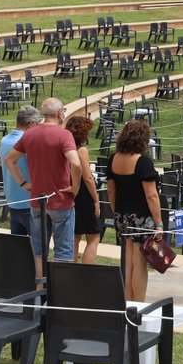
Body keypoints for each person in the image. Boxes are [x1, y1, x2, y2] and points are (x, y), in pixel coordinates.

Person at [5, 97, 82, 280]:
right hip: (61, 201)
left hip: (36, 201)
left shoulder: (30, 134)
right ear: (59, 113)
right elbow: (76, 165)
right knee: (63, 253)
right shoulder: (64, 135)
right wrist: (75, 188)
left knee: (39, 252)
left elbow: (9, 159)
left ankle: (40, 290)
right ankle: (60, 294)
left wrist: (23, 184)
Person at [106, 119, 163, 301]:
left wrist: (117, 212)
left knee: (128, 262)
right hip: (142, 218)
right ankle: (139, 303)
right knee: (140, 264)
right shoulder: (143, 162)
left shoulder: (113, 159)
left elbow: (110, 190)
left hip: (122, 216)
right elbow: (151, 195)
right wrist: (159, 223)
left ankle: (128, 301)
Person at [0, 106, 41, 237]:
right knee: (38, 249)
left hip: (12, 201)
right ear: (31, 123)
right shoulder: (28, 141)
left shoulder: (4, 140)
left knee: (19, 247)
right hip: (29, 201)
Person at [65, 114, 100, 264]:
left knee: (75, 236)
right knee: (93, 236)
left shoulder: (65, 147)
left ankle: (72, 272)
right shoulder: (81, 150)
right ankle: (85, 273)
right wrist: (96, 200)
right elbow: (87, 177)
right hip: (84, 194)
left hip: (71, 191)